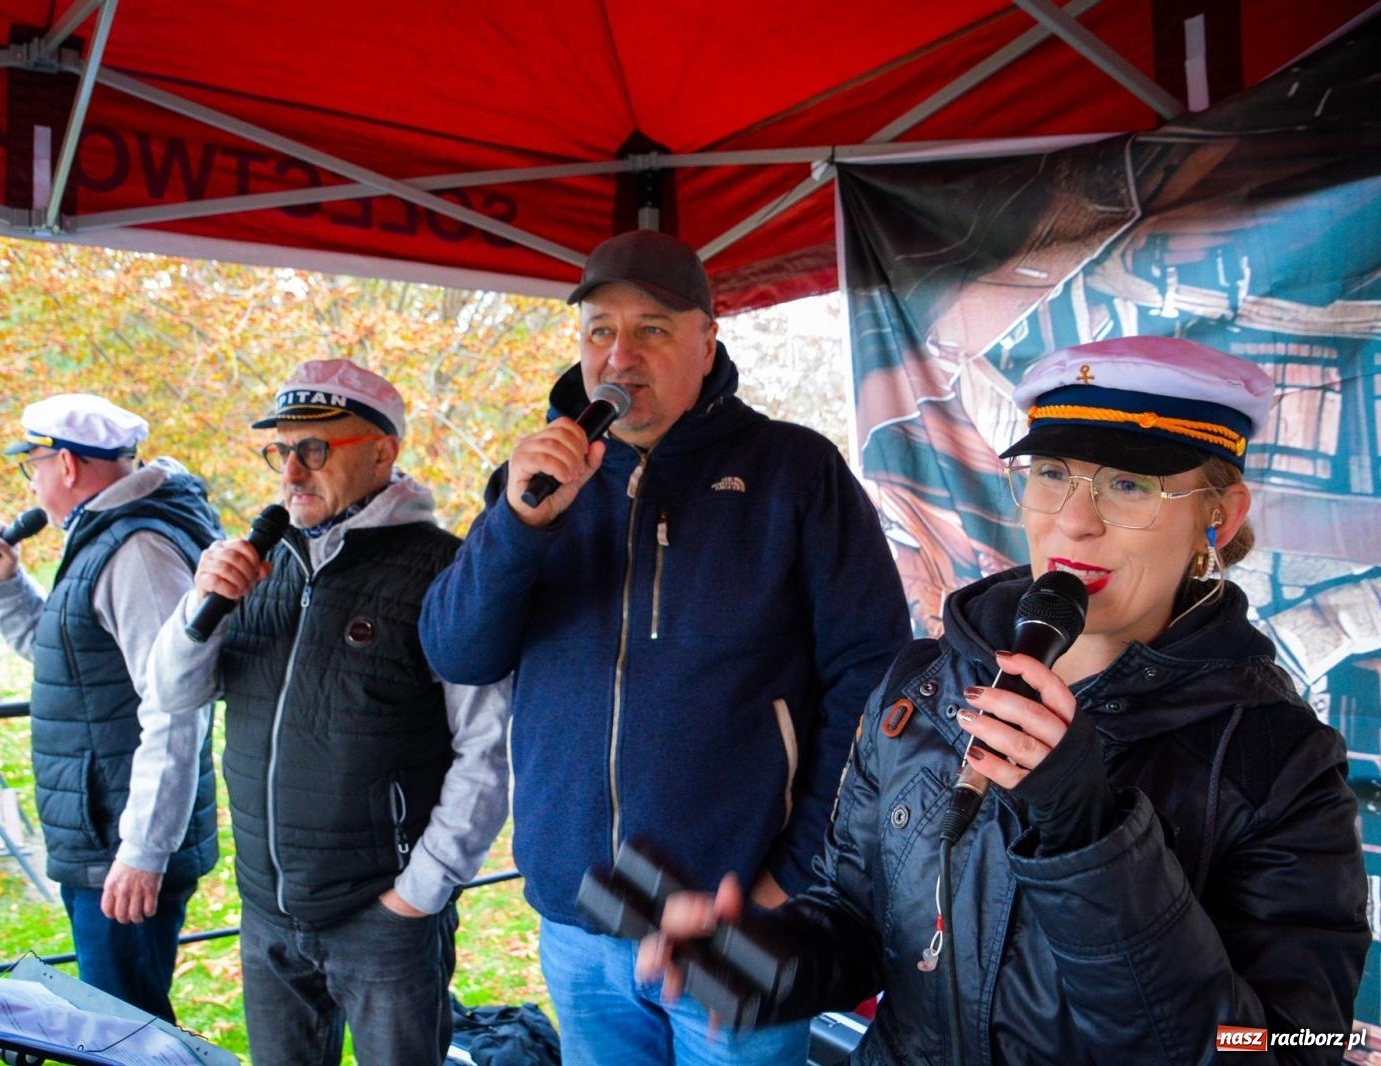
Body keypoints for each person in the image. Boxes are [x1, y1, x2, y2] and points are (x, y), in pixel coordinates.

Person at [641, 337, 1371, 1063]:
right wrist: (773, 958)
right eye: (1053, 473)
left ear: (1220, 516)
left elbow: (1274, 1051)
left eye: (1129, 485)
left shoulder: (1281, 765)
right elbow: (860, 918)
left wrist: (1087, 840)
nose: (1074, 521)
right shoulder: (924, 685)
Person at [418, 229, 911, 1064]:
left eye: (652, 329)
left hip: (737, 916)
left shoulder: (795, 472)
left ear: (707, 340)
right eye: (599, 332)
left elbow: (874, 685)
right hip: (581, 919)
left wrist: (786, 882)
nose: (620, 357)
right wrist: (521, 524)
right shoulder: (535, 481)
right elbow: (456, 651)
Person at [147, 359, 511, 1066]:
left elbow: (489, 748)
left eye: (315, 449)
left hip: (385, 916)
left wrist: (420, 894)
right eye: (281, 450)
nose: (291, 472)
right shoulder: (255, 563)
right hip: (266, 912)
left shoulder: (442, 571)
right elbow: (171, 695)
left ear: (383, 451)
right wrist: (199, 607)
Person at [0, 393, 223, 1023]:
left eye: (35, 465)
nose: (36, 482)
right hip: (101, 828)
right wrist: (5, 583)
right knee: (118, 1024)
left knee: (125, 1033)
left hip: (120, 838)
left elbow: (177, 705)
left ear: (69, 465)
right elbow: (65, 661)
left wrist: (142, 851)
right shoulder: (102, 538)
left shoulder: (136, 552)